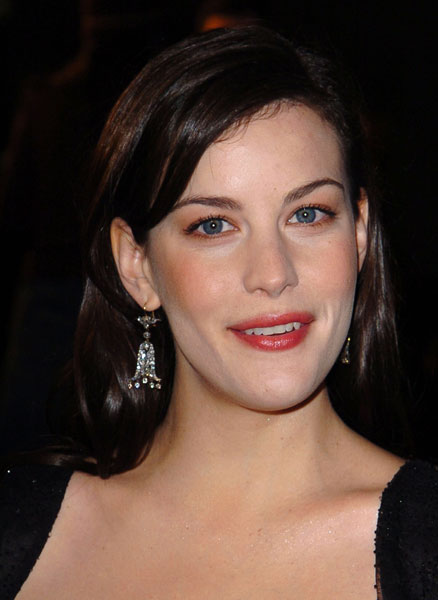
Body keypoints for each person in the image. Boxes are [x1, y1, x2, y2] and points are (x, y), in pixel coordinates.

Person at [1, 26, 437, 600]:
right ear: (137, 266)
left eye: (307, 214)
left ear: (358, 235)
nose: (273, 274)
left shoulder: (425, 545)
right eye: (214, 225)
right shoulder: (21, 527)